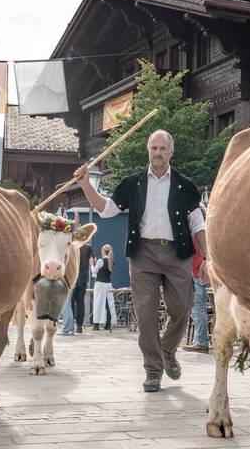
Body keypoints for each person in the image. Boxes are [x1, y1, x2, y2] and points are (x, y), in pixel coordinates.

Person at [74, 129, 208, 393]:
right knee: (145, 315)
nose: (157, 153)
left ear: (171, 152)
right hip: (143, 254)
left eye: (162, 148)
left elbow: (197, 224)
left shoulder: (185, 185)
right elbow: (106, 209)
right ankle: (153, 371)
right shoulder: (133, 183)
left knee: (183, 308)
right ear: (149, 151)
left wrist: (208, 258)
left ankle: (167, 351)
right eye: (153, 148)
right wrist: (85, 184)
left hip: (177, 253)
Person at [182, 238, 210, 353]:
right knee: (204, 309)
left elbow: (187, 255)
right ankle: (199, 341)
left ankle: (201, 342)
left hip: (195, 273)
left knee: (197, 310)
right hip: (207, 273)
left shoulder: (193, 235)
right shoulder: (205, 233)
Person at [91, 244, 117, 331]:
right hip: (108, 284)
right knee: (109, 304)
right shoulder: (111, 261)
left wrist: (91, 264)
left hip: (100, 284)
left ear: (103, 251)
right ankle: (108, 324)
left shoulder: (100, 261)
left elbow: (94, 272)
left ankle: (96, 325)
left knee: (98, 304)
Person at [70, 241, 93, 333]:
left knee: (70, 303)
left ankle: (70, 324)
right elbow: (92, 259)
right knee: (80, 303)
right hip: (83, 279)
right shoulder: (88, 248)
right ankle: (79, 325)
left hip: (73, 279)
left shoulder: (72, 246)